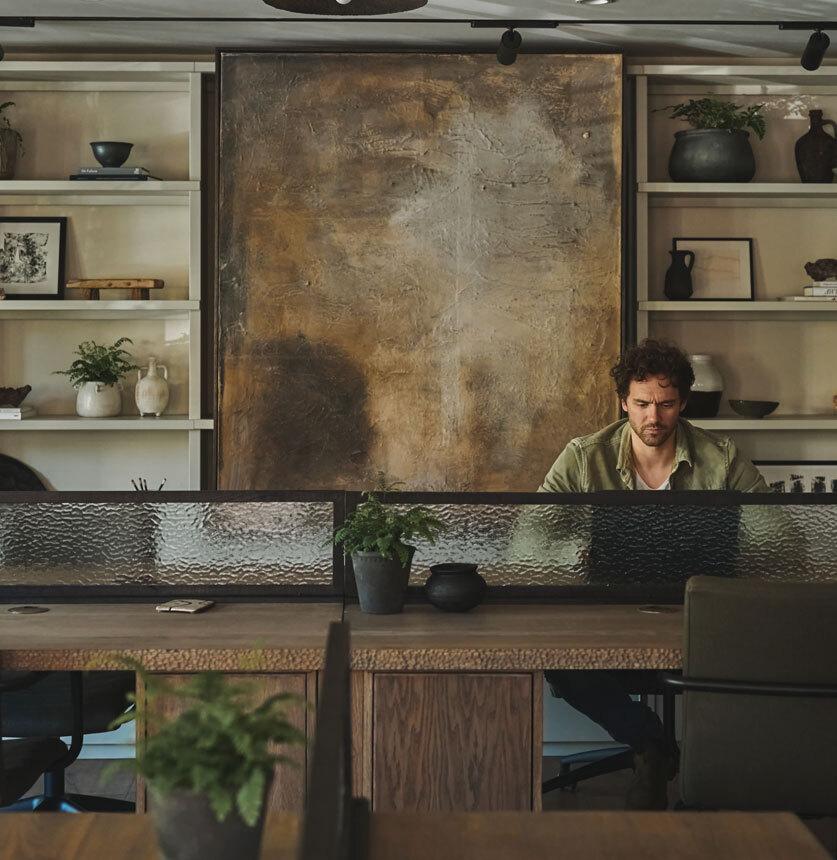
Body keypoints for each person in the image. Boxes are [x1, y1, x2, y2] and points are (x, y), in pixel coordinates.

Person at [539, 339, 768, 810]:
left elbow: (779, 534)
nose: (653, 418)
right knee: (556, 655)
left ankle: (670, 757)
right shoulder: (585, 456)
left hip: (697, 616)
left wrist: (734, 547)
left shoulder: (721, 458)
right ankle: (650, 742)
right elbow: (530, 537)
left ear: (683, 402)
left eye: (666, 404)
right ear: (623, 401)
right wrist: (574, 551)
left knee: (759, 644)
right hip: (607, 618)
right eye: (641, 404)